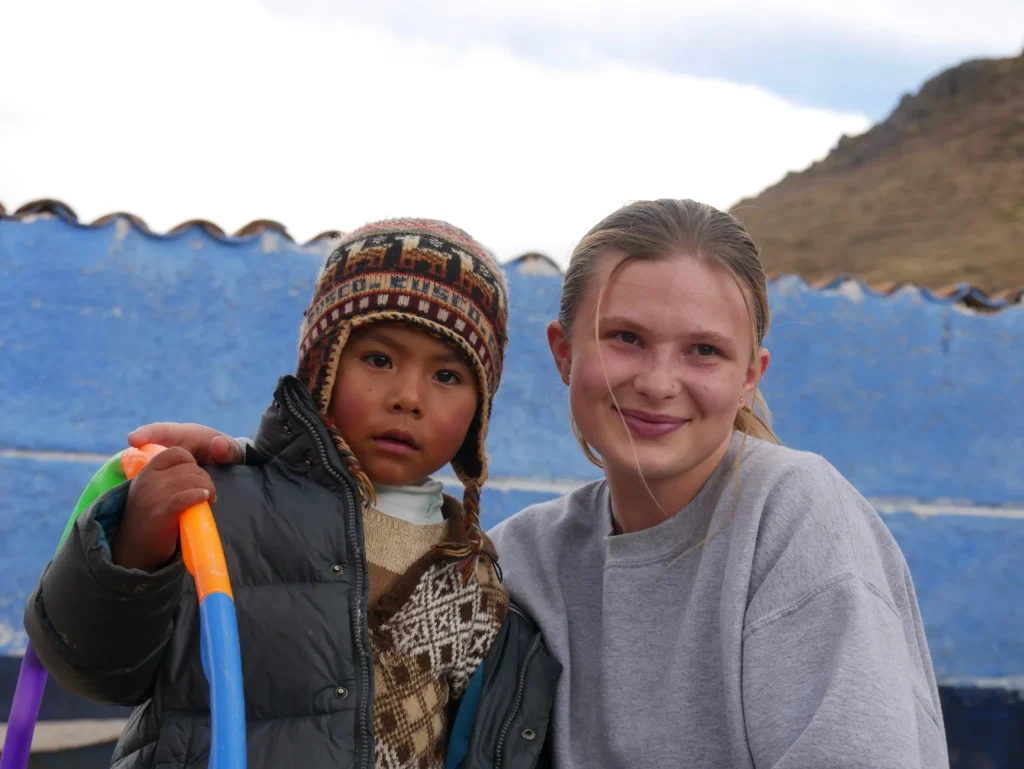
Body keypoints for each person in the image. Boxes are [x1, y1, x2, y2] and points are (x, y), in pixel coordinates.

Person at [124, 200, 949, 768]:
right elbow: (337, 649)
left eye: (704, 351)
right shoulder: (522, 559)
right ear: (562, 354)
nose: (660, 382)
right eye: (625, 338)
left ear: (749, 375)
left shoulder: (796, 515)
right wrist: (269, 474)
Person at [24, 219, 560, 769]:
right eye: (378, 359)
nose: (408, 397)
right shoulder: (217, 509)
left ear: (479, 412)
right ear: (321, 368)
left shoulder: (474, 576)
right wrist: (137, 542)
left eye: (447, 376)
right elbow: (89, 665)